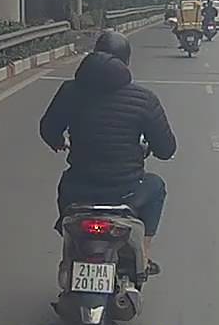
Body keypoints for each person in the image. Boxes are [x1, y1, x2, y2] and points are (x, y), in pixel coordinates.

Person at [40, 31, 178, 275]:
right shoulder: (144, 99)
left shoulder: (70, 91)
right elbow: (167, 149)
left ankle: (70, 253)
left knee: (65, 189)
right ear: (126, 61)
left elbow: (48, 129)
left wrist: (59, 142)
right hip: (126, 191)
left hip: (78, 189)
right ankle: (144, 254)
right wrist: (149, 148)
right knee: (156, 186)